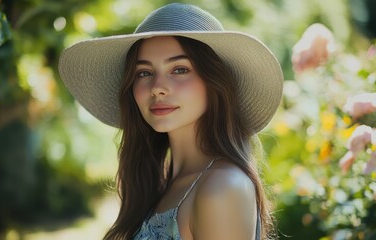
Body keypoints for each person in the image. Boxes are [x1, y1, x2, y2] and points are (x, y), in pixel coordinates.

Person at [59, 3, 283, 240]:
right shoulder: (161, 184)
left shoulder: (222, 187)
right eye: (144, 73)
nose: (157, 88)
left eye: (179, 69)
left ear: (214, 82)